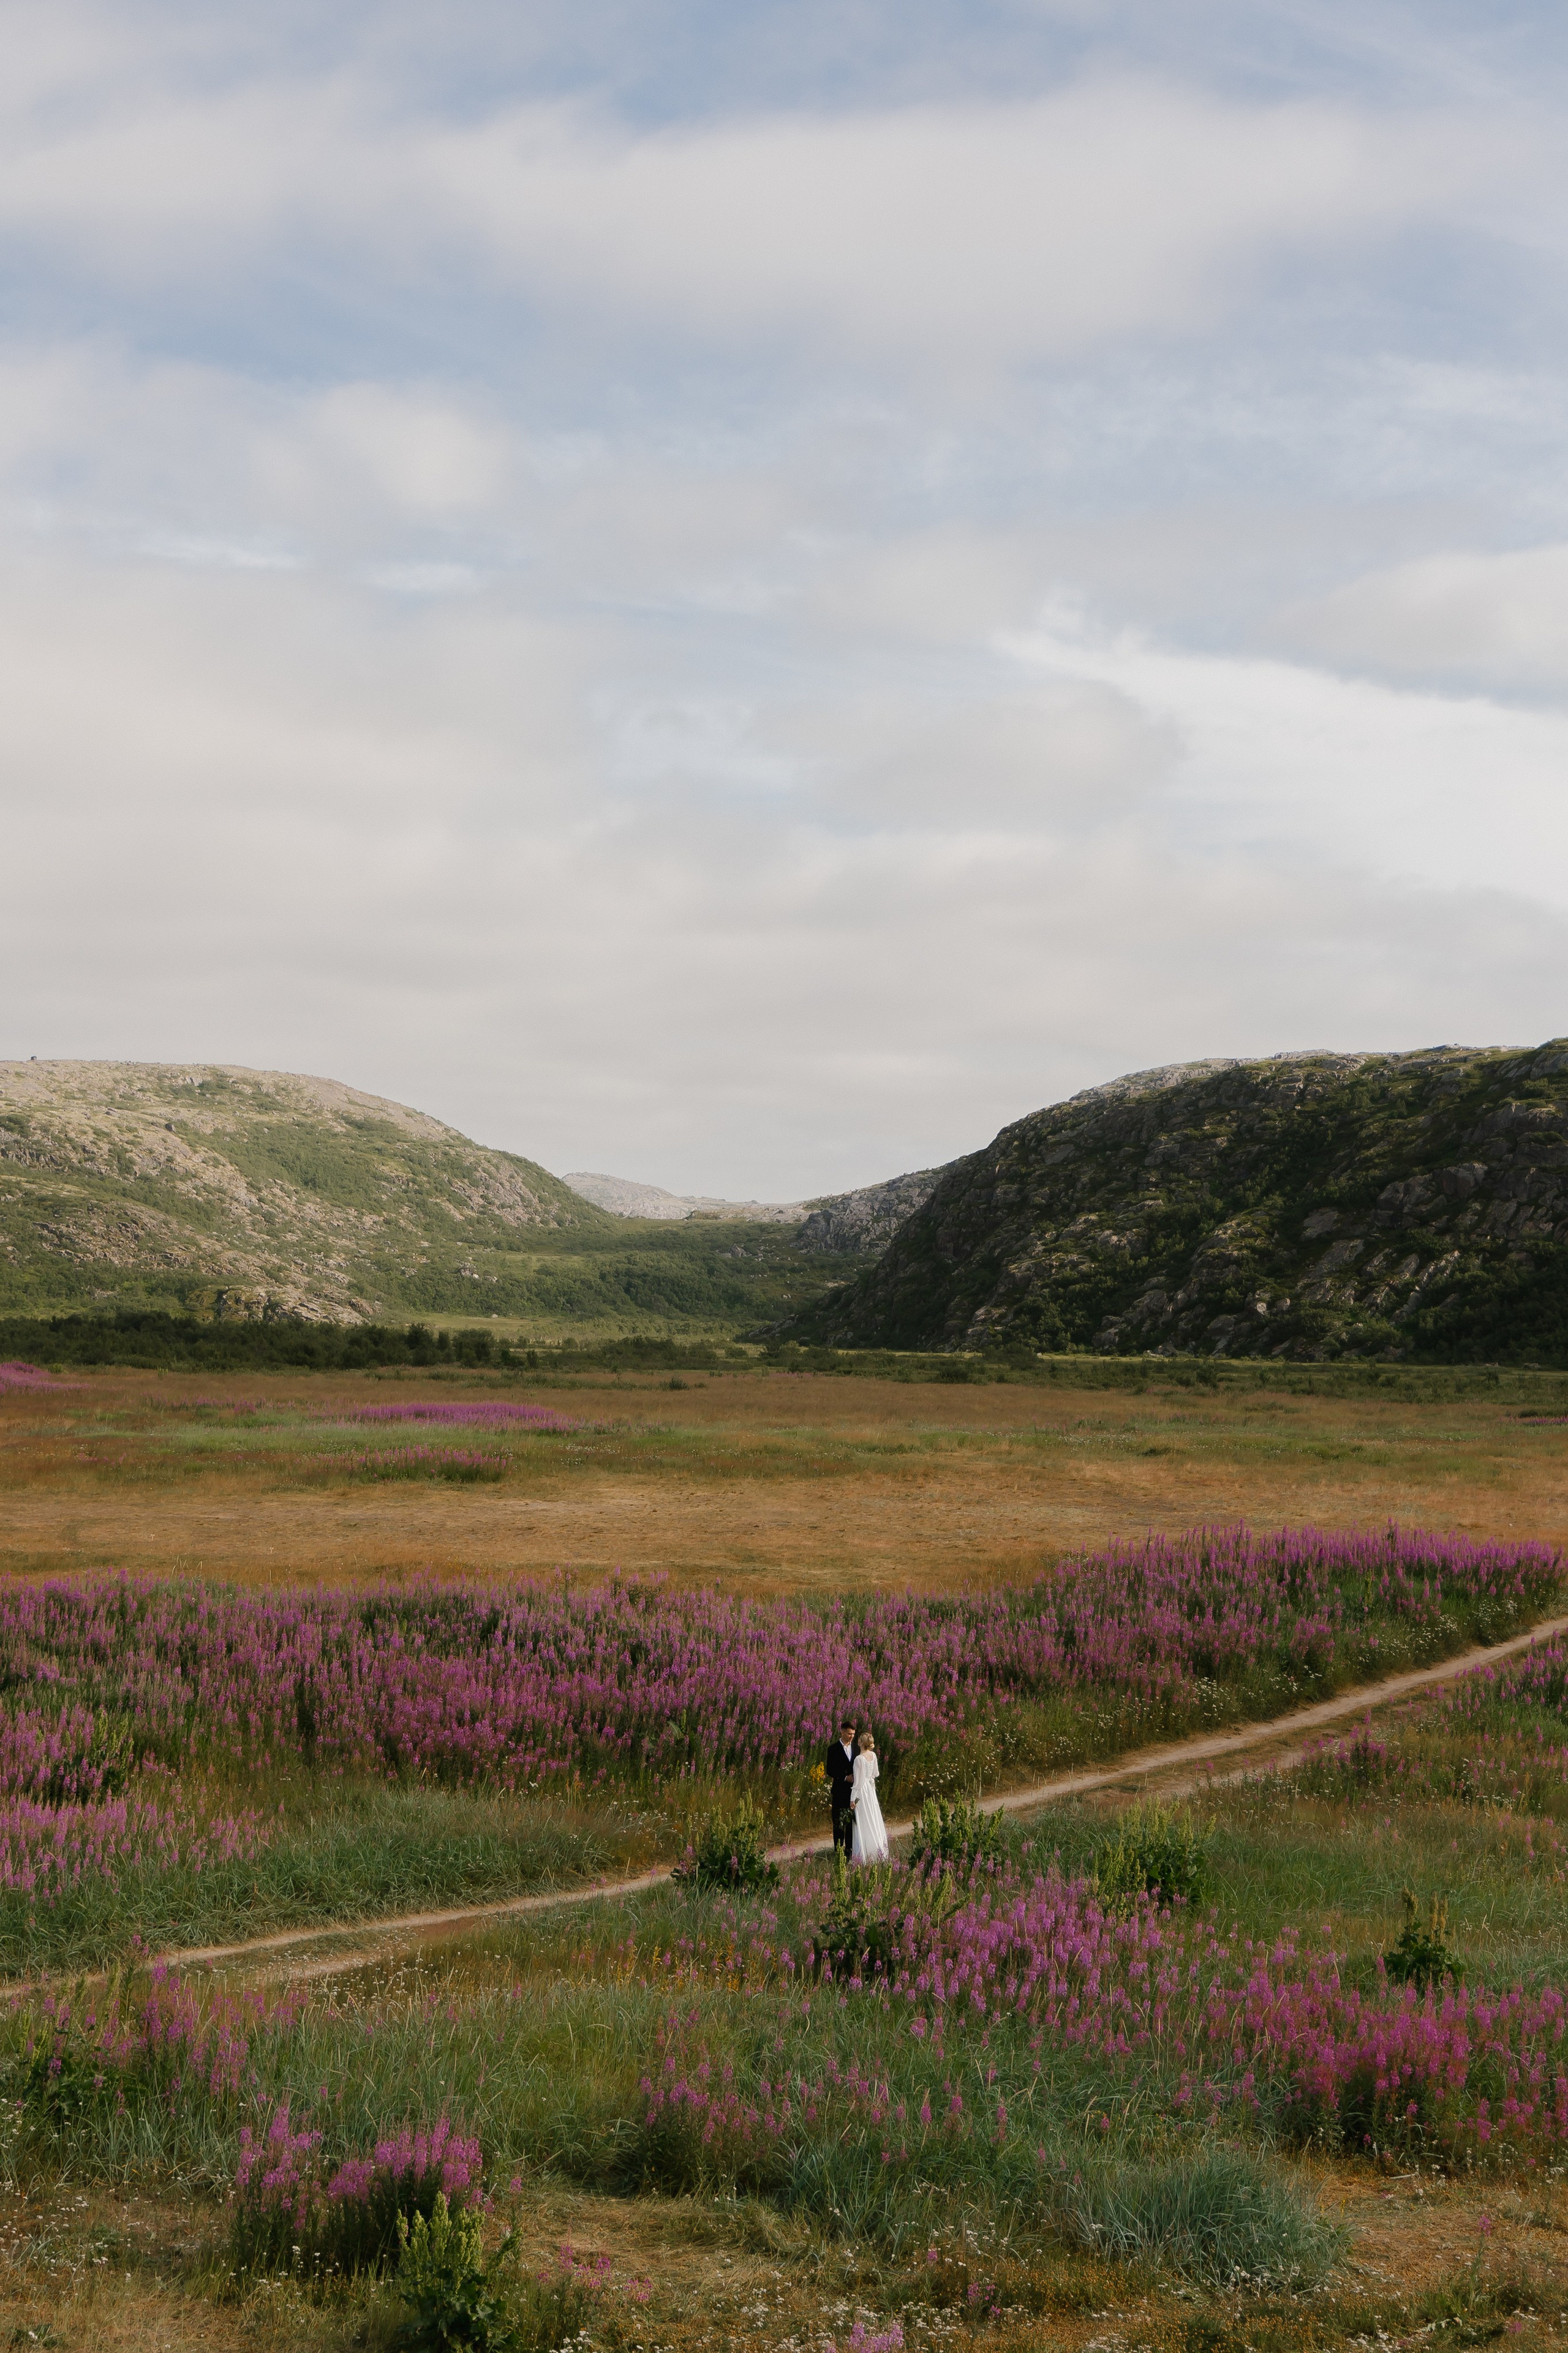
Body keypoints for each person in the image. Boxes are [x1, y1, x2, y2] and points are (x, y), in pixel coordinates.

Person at [850, 1729, 889, 1866]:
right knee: (872, 1817)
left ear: (860, 1743)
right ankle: (876, 1850)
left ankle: (864, 1853)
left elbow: (857, 1783)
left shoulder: (859, 1759)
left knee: (863, 1820)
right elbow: (876, 1774)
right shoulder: (873, 1756)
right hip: (871, 1790)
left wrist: (852, 1799)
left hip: (862, 1791)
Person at [826, 1718, 857, 1856]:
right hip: (839, 1790)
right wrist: (845, 1778)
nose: (852, 1736)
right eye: (850, 1734)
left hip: (853, 1792)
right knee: (839, 1821)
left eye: (854, 1734)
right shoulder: (833, 1749)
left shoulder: (856, 1748)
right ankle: (838, 1849)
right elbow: (830, 1771)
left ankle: (849, 1850)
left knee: (851, 1822)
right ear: (843, 1732)